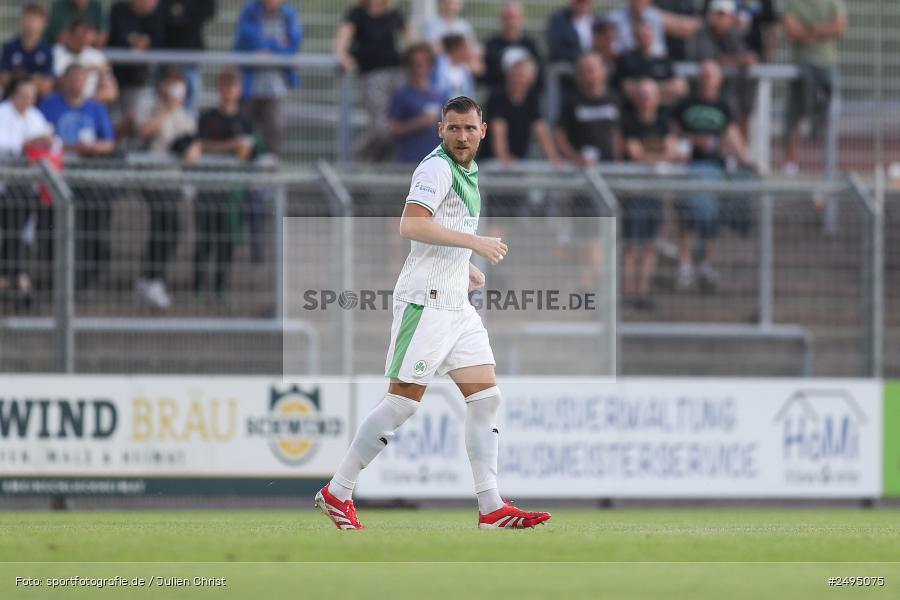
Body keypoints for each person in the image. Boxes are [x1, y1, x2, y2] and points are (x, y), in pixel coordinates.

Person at [315, 95, 552, 531]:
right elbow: (411, 224)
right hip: (425, 302)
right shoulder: (437, 167)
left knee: (486, 398)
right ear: (439, 130)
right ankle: (338, 491)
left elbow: (442, 232)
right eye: (453, 127)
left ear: (483, 131)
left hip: (455, 302)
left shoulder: (468, 169)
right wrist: (474, 245)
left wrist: (465, 267)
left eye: (468, 128)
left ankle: (491, 507)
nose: (461, 136)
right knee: (403, 402)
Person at [671, 60, 754, 291]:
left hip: (714, 168)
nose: (707, 78)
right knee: (687, 217)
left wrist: (744, 157)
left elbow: (731, 134)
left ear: (718, 79)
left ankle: (706, 263)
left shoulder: (723, 106)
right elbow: (673, 131)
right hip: (689, 167)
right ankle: (685, 263)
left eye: (712, 74)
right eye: (704, 74)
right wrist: (692, 141)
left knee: (711, 219)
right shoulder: (685, 104)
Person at [39, 63, 116, 291]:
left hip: (90, 178)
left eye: (81, 78)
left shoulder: (95, 107)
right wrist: (72, 148)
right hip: (58, 176)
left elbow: (109, 143)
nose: (76, 83)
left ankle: (85, 280)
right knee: (55, 229)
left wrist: (92, 148)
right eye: (72, 78)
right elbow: (43, 139)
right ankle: (61, 277)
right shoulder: (50, 104)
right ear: (64, 80)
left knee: (92, 228)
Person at [184, 68, 255, 299]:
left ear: (239, 90)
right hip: (207, 185)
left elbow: (251, 149)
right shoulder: (208, 117)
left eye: (233, 87)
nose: (229, 92)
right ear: (219, 89)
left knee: (227, 241)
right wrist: (229, 145)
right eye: (225, 86)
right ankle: (198, 286)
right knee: (205, 238)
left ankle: (221, 287)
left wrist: (244, 149)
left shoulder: (244, 120)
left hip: (232, 189)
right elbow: (201, 144)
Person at [133, 68, 196, 309]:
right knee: (165, 221)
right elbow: (144, 131)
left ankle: (151, 278)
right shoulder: (150, 104)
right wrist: (167, 108)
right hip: (152, 177)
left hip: (174, 179)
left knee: (172, 229)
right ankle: (152, 278)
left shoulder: (185, 113)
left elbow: (188, 141)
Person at [621, 79, 680, 310]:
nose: (647, 100)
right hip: (634, 192)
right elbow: (633, 153)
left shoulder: (664, 122)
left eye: (650, 95)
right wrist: (660, 156)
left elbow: (673, 151)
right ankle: (627, 292)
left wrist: (651, 157)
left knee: (650, 245)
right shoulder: (630, 122)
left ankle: (642, 292)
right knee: (632, 245)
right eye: (642, 94)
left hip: (655, 192)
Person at [0, 77, 54, 308]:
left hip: (27, 186)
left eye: (32, 96)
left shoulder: (34, 115)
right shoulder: (2, 112)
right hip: (5, 185)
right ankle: (16, 276)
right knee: (15, 223)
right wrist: (26, 143)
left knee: (21, 226)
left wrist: (45, 141)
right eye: (23, 95)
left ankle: (10, 276)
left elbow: (51, 140)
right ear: (13, 95)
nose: (28, 100)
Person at [335, 0, 407, 161]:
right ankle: (355, 156)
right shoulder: (357, 13)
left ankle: (379, 163)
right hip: (372, 76)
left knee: (398, 122)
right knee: (381, 126)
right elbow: (343, 38)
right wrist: (342, 56)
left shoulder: (394, 13)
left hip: (397, 74)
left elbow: (409, 39)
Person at [782, 0, 846, 174]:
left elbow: (839, 28)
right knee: (795, 112)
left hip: (827, 64)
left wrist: (809, 30)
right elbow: (792, 31)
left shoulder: (833, 3)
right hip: (801, 65)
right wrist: (824, 30)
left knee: (826, 110)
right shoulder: (794, 4)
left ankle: (826, 164)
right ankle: (790, 163)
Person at [234, 0, 302, 155]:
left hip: (275, 88)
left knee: (274, 133)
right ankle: (242, 173)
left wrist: (267, 50)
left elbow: (293, 45)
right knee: (244, 134)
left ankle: (271, 174)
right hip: (249, 86)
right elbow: (245, 41)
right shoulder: (249, 10)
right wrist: (277, 44)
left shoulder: (289, 14)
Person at [480, 48, 563, 169]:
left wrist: (554, 158)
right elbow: (498, 128)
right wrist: (504, 157)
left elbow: (540, 129)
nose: (517, 78)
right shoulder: (497, 97)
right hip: (494, 164)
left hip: (518, 163)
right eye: (515, 73)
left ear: (531, 79)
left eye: (522, 75)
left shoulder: (531, 99)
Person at [691, 0, 757, 135]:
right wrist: (739, 60)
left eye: (723, 15)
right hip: (701, 98)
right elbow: (710, 58)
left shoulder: (734, 34)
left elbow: (746, 57)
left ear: (731, 17)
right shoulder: (703, 32)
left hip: (728, 94)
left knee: (740, 112)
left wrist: (744, 59)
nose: (719, 19)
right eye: (717, 14)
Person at [108, 0, 166, 135]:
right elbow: (116, 39)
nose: (154, 3)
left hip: (143, 83)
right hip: (118, 80)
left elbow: (159, 41)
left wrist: (145, 43)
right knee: (118, 123)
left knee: (141, 124)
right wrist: (134, 45)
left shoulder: (157, 15)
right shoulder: (119, 10)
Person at [555, 52, 621, 167]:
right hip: (581, 169)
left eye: (591, 70)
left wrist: (619, 160)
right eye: (582, 71)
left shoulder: (614, 99)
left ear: (603, 71)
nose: (587, 76)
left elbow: (618, 133)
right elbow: (559, 134)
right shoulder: (571, 102)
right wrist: (574, 156)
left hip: (610, 168)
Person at [388, 43, 444, 163]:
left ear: (431, 65)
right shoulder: (401, 94)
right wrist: (418, 123)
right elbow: (392, 129)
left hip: (435, 163)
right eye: (415, 62)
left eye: (424, 62)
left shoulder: (440, 95)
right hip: (409, 161)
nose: (419, 66)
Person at [159, 0, 217, 112]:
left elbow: (209, 9)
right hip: (166, 54)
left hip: (191, 55)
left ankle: (189, 128)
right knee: (163, 102)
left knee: (191, 101)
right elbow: (161, 12)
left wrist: (182, 11)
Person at [617, 18, 688, 106]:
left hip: (664, 109)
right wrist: (663, 89)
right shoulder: (626, 59)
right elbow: (627, 88)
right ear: (635, 36)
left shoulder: (663, 59)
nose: (644, 37)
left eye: (646, 33)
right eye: (641, 34)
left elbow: (678, 87)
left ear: (652, 35)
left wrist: (651, 89)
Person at [52, 17, 118, 104]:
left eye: (86, 35)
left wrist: (90, 102)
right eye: (79, 35)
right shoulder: (55, 53)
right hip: (62, 102)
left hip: (91, 103)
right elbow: (54, 84)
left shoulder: (97, 57)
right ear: (69, 34)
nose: (83, 39)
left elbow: (111, 92)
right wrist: (87, 70)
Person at [482, 2, 542, 90]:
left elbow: (539, 74)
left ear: (522, 18)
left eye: (513, 17)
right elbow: (485, 75)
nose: (510, 22)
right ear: (500, 19)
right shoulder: (491, 44)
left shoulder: (531, 44)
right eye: (507, 17)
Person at [608, 0, 700, 56]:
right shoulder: (615, 19)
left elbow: (683, 27)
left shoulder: (656, 16)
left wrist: (706, 20)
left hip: (654, 63)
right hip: (626, 64)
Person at [0, 4, 55, 98]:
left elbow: (46, 86)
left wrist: (19, 77)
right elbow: (2, 79)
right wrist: (34, 78)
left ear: (43, 23)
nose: (31, 24)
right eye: (28, 19)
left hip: (37, 104)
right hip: (11, 101)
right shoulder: (9, 46)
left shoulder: (47, 50)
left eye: (35, 20)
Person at [421, 0, 483, 75]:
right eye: (448, 3)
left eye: (455, 3)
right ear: (441, 3)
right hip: (438, 69)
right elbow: (431, 49)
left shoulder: (464, 26)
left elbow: (471, 50)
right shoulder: (431, 25)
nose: (451, 7)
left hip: (461, 69)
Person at [546, 0, 599, 65]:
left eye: (586, 2)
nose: (582, 5)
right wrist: (581, 58)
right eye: (579, 2)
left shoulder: (595, 20)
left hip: (593, 62)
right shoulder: (559, 20)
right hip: (569, 62)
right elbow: (556, 48)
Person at [431, 34, 475, 101]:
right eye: (466, 47)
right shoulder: (437, 65)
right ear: (455, 49)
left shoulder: (466, 70)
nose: (469, 50)